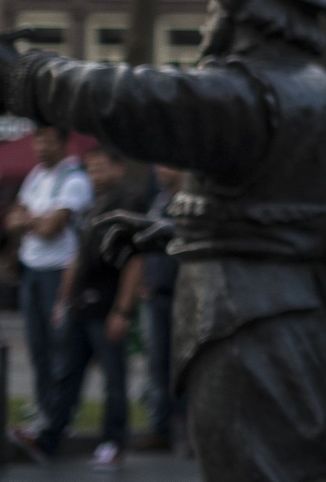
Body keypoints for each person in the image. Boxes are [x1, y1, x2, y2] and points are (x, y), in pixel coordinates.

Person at [0, 0, 326, 482]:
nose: (207, 25)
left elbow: (133, 97)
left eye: (214, 7)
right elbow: (302, 228)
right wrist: (178, 235)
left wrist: (17, 77)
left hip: (247, 333)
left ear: (242, 14)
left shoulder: (249, 95)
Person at [10, 145, 144, 471]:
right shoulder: (93, 205)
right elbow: (78, 255)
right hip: (81, 302)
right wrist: (63, 299)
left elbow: (135, 259)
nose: (95, 174)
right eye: (91, 169)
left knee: (113, 375)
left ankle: (114, 443)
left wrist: (123, 309)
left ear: (118, 168)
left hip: (107, 302)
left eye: (101, 167)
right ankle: (49, 438)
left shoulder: (128, 204)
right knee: (67, 372)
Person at [4, 123, 92, 429]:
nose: (41, 147)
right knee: (37, 345)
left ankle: (62, 413)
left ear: (64, 143)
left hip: (60, 272)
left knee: (61, 345)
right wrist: (35, 220)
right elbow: (12, 220)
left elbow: (51, 228)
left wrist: (30, 221)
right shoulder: (36, 175)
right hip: (32, 269)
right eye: (38, 141)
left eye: (49, 141)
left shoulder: (74, 179)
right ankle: (44, 408)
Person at [132, 164, 184, 454]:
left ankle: (191, 429)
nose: (160, 170)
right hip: (156, 293)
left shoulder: (188, 200)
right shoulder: (158, 201)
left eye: (166, 164)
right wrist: (143, 281)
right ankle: (160, 428)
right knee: (157, 364)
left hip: (184, 293)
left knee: (186, 364)